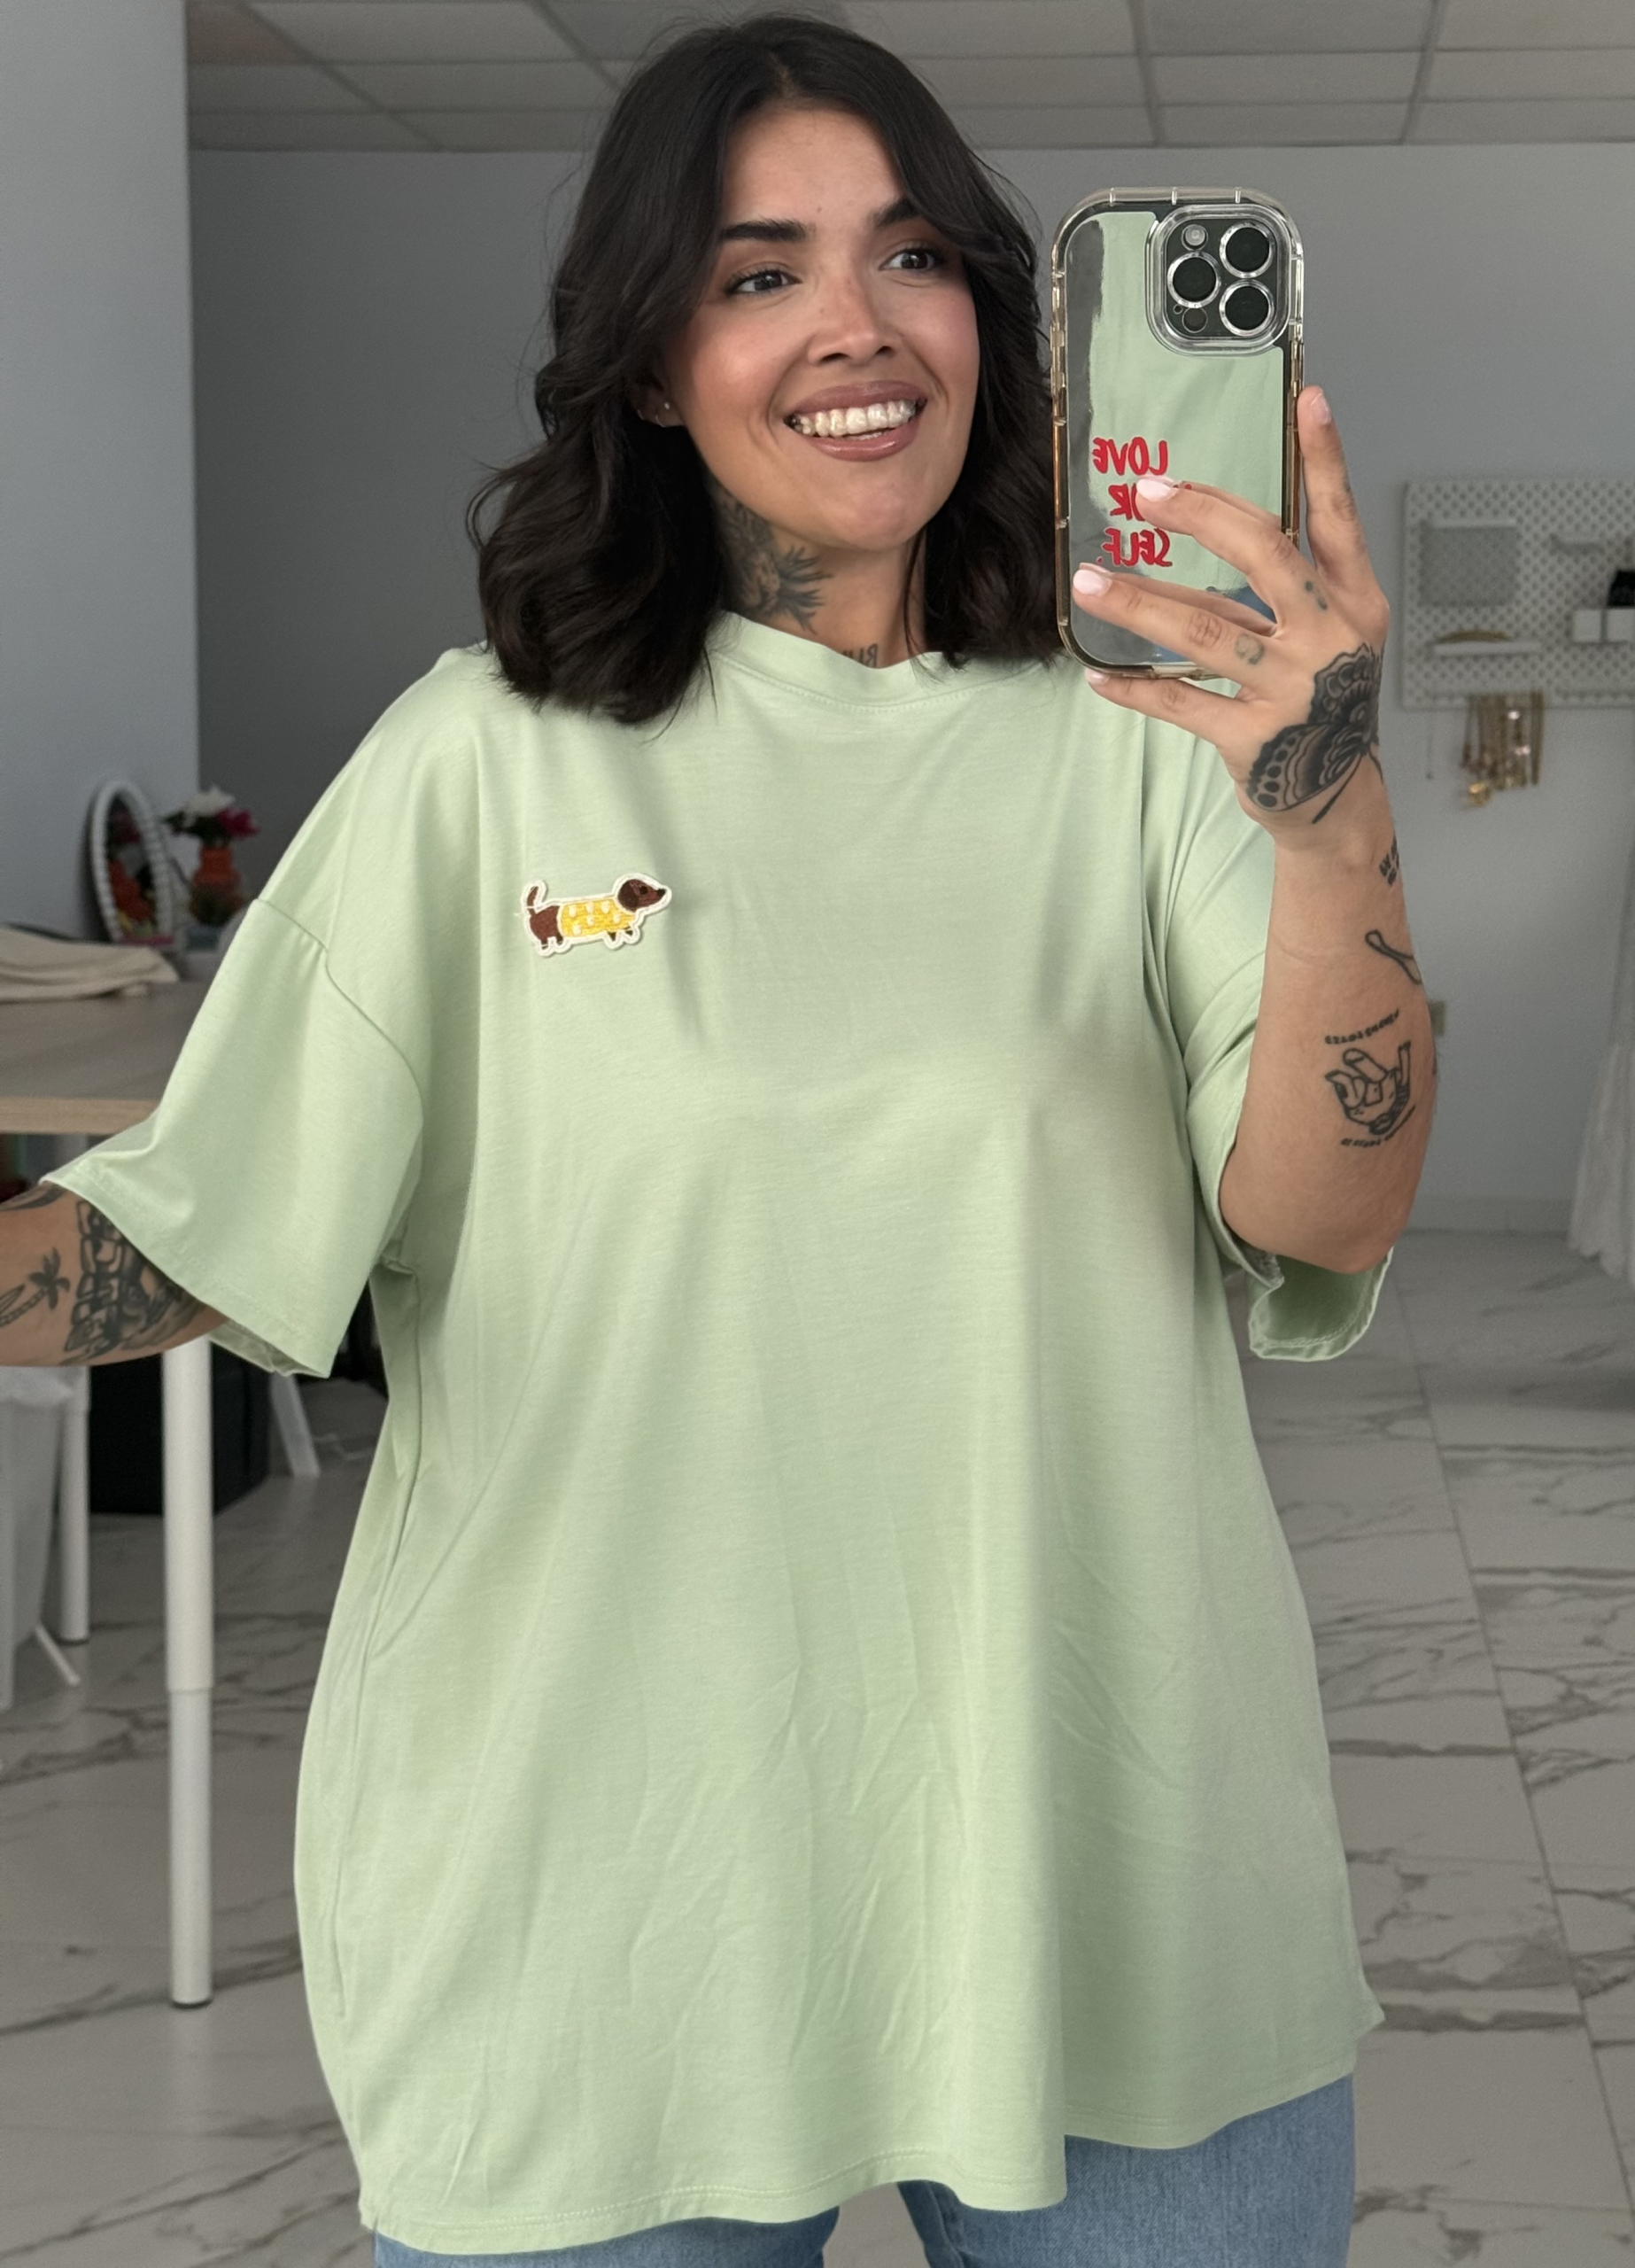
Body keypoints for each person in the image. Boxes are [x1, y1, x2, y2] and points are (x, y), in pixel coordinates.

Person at [0, 15, 1432, 2265]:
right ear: (653, 364)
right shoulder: (484, 759)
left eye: (912, 254)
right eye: (760, 272)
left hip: (1112, 1848)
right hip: (607, 1889)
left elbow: (1318, 1211)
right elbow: (196, 1227)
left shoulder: (1150, 732)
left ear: (996, 317)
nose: (855, 324)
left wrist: (1327, 810)